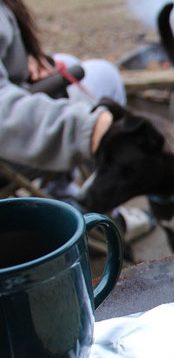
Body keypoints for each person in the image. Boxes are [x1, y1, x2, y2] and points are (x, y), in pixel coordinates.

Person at [0, 0, 153, 241]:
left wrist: (22, 60)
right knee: (104, 75)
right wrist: (86, 127)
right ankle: (102, 210)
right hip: (8, 150)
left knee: (68, 62)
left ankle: (60, 192)